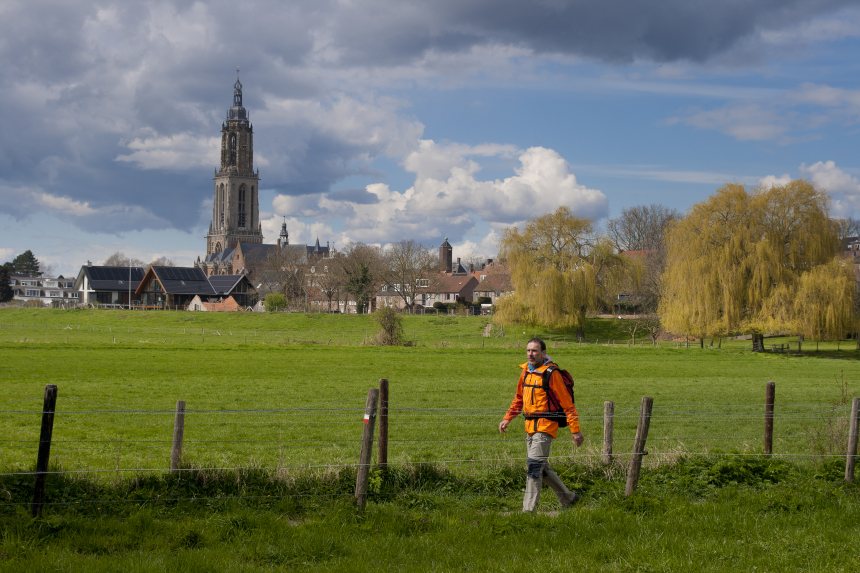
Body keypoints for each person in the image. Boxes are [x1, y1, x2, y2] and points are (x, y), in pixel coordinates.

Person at [499, 337, 584, 512]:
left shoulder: (552, 374)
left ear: (543, 353)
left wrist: (575, 431)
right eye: (528, 350)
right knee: (542, 468)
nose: (531, 354)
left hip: (546, 426)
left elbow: (568, 405)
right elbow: (519, 399)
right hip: (529, 426)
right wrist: (508, 418)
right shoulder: (525, 372)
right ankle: (569, 498)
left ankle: (528, 511)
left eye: (535, 351)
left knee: (534, 467)